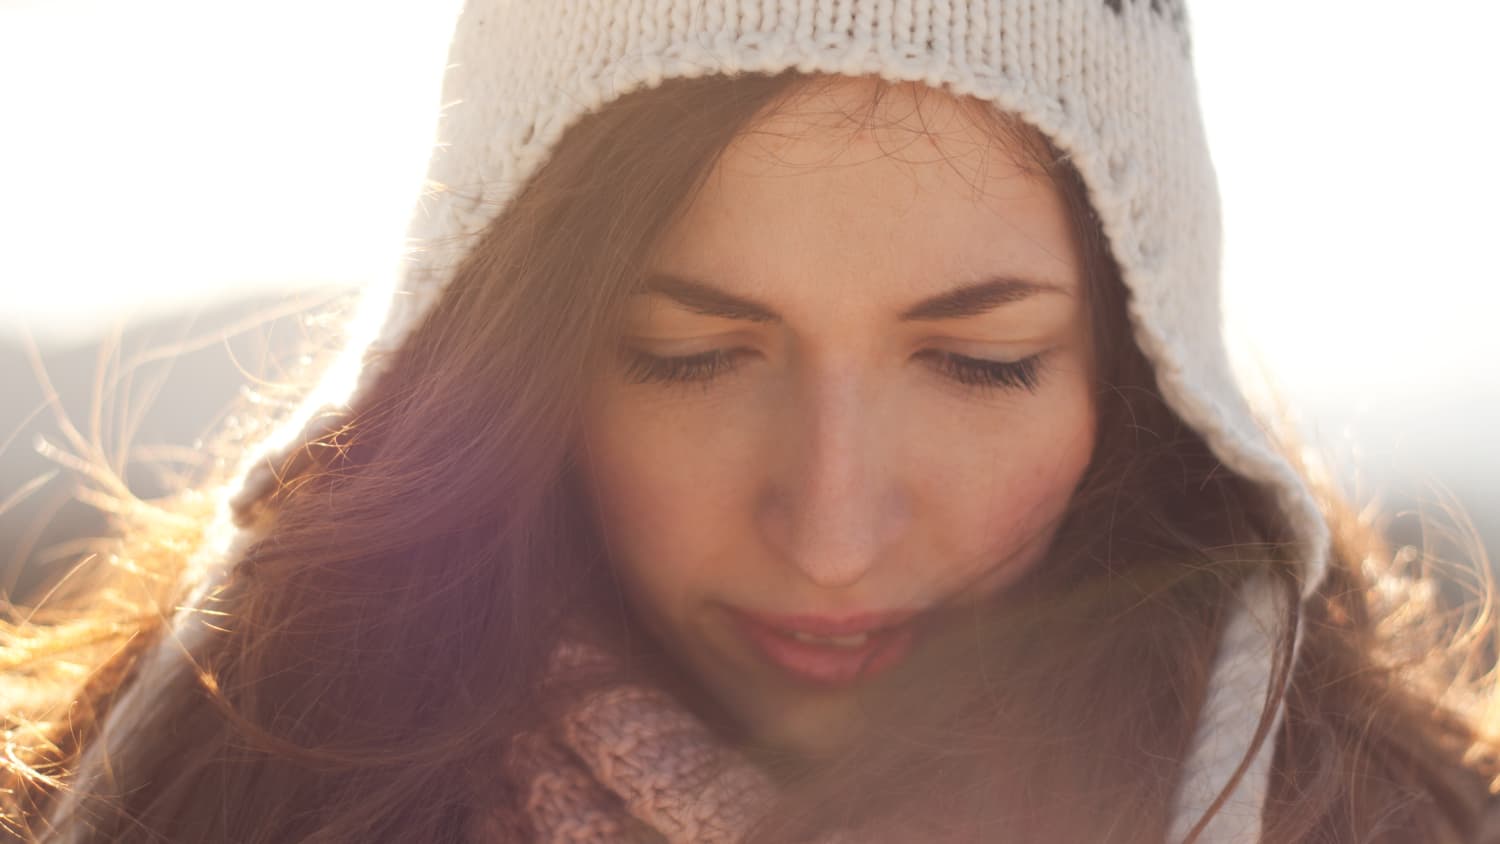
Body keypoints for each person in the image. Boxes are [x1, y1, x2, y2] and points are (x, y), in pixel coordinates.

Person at [4, 2, 1498, 842]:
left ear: (1145, 383)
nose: (834, 531)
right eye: (691, 355)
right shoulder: (204, 801)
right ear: (515, 361)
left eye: (980, 363)